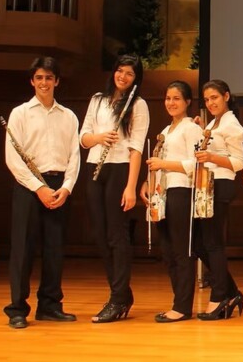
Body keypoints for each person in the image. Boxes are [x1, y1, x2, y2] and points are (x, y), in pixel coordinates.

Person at [3, 57, 80, 329]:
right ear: (32, 81)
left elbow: (74, 156)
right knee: (23, 248)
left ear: (57, 81)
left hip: (59, 186)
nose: (44, 83)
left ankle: (49, 306)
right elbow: (12, 158)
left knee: (54, 248)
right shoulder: (20, 113)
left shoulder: (69, 116)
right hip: (29, 186)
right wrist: (39, 188)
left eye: (49, 78)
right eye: (39, 78)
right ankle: (17, 309)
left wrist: (66, 187)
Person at [80, 54, 149, 323]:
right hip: (95, 167)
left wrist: (131, 186)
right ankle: (121, 294)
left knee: (116, 235)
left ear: (136, 79)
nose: (123, 76)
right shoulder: (97, 99)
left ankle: (118, 298)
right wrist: (99, 137)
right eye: (120, 71)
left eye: (129, 73)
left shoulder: (138, 105)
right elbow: (83, 137)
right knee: (99, 234)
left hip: (120, 168)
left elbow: (136, 148)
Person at [141, 81, 201, 322]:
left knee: (181, 250)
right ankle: (178, 301)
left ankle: (183, 306)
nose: (171, 103)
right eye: (168, 98)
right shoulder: (166, 130)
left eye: (176, 98)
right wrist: (147, 182)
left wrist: (163, 165)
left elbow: (196, 163)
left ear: (187, 102)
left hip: (181, 190)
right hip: (162, 192)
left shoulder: (191, 128)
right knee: (167, 251)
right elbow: (156, 163)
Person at [191, 80, 243, 320]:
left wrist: (212, 156)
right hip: (206, 184)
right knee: (199, 243)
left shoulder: (232, 125)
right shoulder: (215, 123)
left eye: (214, 97)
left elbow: (238, 162)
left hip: (220, 184)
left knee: (212, 243)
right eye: (206, 100)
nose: (210, 103)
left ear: (226, 96)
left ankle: (219, 296)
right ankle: (231, 292)